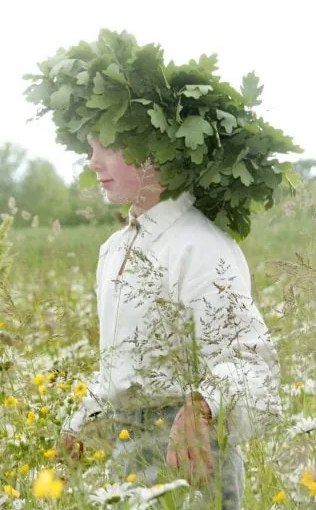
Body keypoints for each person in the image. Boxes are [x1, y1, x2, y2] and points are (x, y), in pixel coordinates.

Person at [60, 135, 282, 508]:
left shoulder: (199, 244)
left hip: (191, 464)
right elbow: (125, 363)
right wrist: (84, 419)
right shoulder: (114, 248)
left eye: (107, 147)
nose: (93, 162)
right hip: (125, 463)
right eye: (89, 148)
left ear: (156, 150)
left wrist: (202, 408)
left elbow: (252, 362)